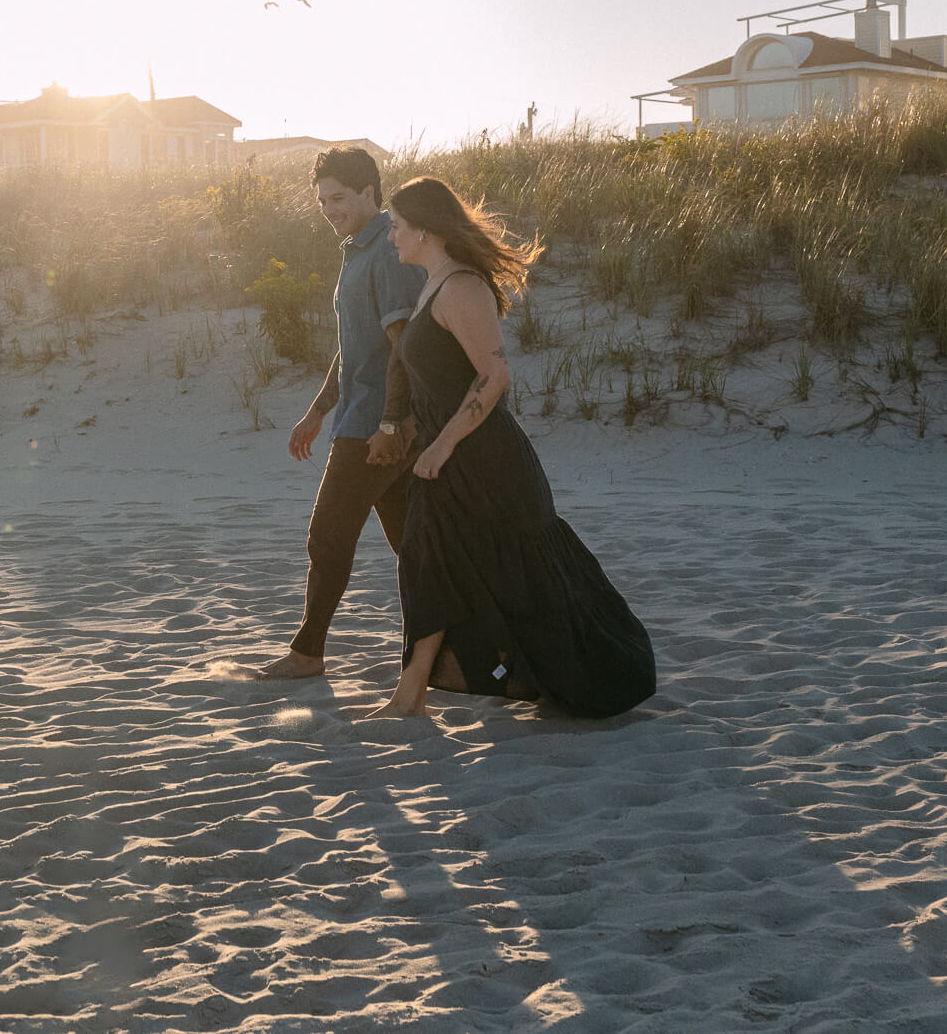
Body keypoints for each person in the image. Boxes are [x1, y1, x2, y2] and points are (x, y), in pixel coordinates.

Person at [357, 175, 655, 719]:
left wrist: (441, 445)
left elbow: (493, 378)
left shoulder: (462, 288)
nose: (391, 236)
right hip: (448, 458)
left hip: (482, 460)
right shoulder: (432, 283)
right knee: (428, 564)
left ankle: (608, 676)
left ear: (424, 230)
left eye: (397, 227)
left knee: (527, 583)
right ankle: (409, 695)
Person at [255, 147, 427, 681]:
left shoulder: (387, 253)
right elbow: (355, 347)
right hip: (363, 417)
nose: (329, 209)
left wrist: (392, 425)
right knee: (411, 548)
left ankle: (307, 653)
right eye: (322, 200)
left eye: (339, 198)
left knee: (328, 533)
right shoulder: (358, 250)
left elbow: (404, 348)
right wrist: (315, 411)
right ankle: (442, 652)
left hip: (377, 426)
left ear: (370, 194)